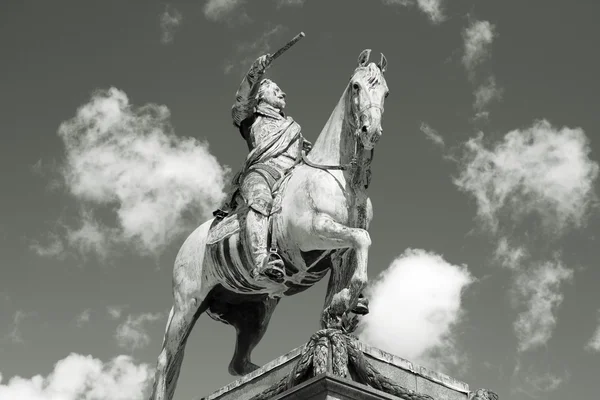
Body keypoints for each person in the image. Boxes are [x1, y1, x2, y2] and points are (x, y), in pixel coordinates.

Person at [229, 54, 312, 283]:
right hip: (264, 173)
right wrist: (256, 71)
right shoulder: (250, 118)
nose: (282, 93)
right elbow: (242, 99)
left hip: (292, 174)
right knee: (260, 199)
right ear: (259, 97)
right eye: (275, 89)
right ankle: (260, 260)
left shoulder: (292, 127)